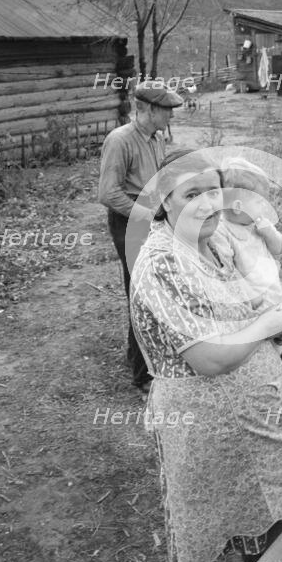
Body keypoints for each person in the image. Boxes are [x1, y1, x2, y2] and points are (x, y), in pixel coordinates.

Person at [130, 149, 282, 562]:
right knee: (228, 504)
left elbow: (231, 308)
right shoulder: (162, 263)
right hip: (206, 417)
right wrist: (266, 326)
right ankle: (273, 554)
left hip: (250, 404)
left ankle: (278, 551)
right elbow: (209, 359)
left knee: (267, 487)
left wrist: (261, 312)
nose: (208, 203)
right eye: (192, 194)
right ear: (164, 201)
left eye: (214, 191)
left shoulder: (209, 242)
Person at [98, 80, 183, 392]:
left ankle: (146, 356)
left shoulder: (156, 137)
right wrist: (147, 215)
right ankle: (142, 375)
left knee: (156, 289)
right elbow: (108, 193)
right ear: (147, 110)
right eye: (167, 110)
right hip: (128, 223)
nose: (171, 116)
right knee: (141, 293)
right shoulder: (120, 140)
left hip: (149, 220)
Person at [221, 156, 282, 389]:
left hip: (274, 302)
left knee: (281, 354)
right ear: (238, 207)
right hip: (254, 311)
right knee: (265, 360)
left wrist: (269, 234)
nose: (265, 207)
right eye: (259, 202)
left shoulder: (259, 224)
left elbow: (281, 248)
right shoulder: (223, 232)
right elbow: (230, 278)